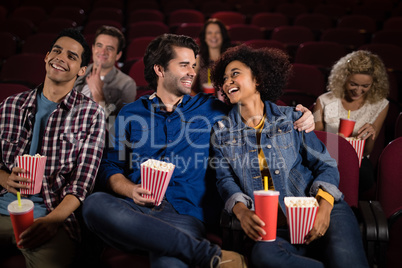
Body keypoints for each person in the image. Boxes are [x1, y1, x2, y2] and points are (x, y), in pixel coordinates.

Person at [82, 34, 315, 268]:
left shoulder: (212, 107)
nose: (192, 72)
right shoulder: (130, 113)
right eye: (184, 65)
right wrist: (131, 190)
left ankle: (172, 245)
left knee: (168, 263)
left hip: (185, 214)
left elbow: (256, 107)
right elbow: (110, 165)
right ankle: (207, 254)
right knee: (94, 204)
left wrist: (300, 114)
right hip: (136, 210)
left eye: (194, 65)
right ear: (160, 69)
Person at [210, 45, 369, 268]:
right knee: (265, 257)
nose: (228, 82)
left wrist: (324, 207)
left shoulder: (292, 118)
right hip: (275, 227)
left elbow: (326, 165)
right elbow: (224, 179)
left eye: (235, 74)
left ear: (257, 79)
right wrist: (242, 212)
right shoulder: (222, 131)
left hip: (320, 209)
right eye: (224, 79)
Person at [0, 28, 106, 267]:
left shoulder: (91, 114)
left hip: (48, 215)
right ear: (46, 57)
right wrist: (5, 178)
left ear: (81, 71)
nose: (60, 58)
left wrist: (53, 221)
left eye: (71, 56)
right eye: (56, 51)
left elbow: (82, 184)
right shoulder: (9, 106)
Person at [313, 50, 389, 196]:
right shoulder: (323, 100)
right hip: (327, 156)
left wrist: (370, 133)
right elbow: (314, 140)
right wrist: (335, 141)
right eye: (353, 84)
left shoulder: (381, 104)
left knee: (362, 175)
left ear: (374, 83)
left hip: (358, 162)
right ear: (343, 78)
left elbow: (367, 152)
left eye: (365, 86)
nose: (358, 91)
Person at [74, 25, 137, 119]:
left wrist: (99, 97)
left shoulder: (127, 84)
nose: (103, 52)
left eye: (110, 48)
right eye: (99, 46)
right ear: (93, 48)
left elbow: (117, 128)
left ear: (118, 55)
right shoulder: (76, 73)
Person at [193, 19, 233, 100]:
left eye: (217, 32)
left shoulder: (231, 59)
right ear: (204, 37)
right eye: (209, 33)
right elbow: (186, 88)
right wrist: (199, 101)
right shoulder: (198, 60)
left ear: (223, 35)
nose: (213, 36)